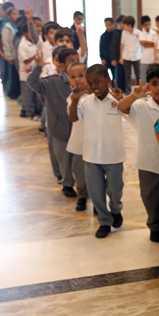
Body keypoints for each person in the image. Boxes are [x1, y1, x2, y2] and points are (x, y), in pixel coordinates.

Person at [68, 64, 126, 239]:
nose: (94, 86)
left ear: (108, 79)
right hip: (91, 156)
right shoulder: (85, 102)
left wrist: (122, 100)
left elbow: (129, 112)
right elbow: (73, 118)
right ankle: (104, 221)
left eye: (98, 81)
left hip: (113, 155)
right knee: (96, 193)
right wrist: (75, 100)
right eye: (90, 83)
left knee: (115, 189)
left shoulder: (117, 100)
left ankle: (115, 209)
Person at [28, 47, 87, 208]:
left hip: (81, 132)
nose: (75, 64)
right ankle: (67, 184)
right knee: (64, 161)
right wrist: (37, 67)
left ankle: (83, 192)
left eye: (77, 60)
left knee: (80, 165)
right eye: (71, 61)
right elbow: (33, 83)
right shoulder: (52, 82)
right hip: (60, 129)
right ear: (61, 65)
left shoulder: (86, 84)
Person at [117, 65, 159, 242]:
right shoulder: (141, 106)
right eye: (154, 83)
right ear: (148, 85)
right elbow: (121, 107)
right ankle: (154, 227)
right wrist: (134, 96)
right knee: (150, 199)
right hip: (148, 163)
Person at [65, 61, 89, 211]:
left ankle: (99, 199)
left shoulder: (96, 95)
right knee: (79, 173)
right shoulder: (72, 97)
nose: (77, 79)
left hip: (96, 143)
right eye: (73, 77)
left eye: (81, 75)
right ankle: (82, 196)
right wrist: (75, 99)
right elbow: (72, 114)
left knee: (98, 175)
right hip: (79, 143)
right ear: (69, 80)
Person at [17, 13, 42, 119]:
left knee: (36, 94)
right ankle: (29, 113)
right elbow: (25, 60)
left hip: (36, 73)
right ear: (24, 33)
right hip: (25, 74)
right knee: (27, 95)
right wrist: (35, 57)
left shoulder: (38, 41)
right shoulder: (22, 45)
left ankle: (37, 111)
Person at [119, 16, 141, 93]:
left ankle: (138, 90)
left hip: (136, 56)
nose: (123, 26)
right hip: (126, 56)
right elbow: (122, 45)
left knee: (138, 75)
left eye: (124, 24)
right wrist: (121, 57)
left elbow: (142, 44)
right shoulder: (124, 33)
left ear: (129, 25)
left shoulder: (138, 33)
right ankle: (128, 91)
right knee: (127, 76)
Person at [138, 15, 159, 84]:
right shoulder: (141, 33)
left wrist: (151, 43)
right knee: (144, 78)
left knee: (153, 78)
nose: (148, 26)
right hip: (144, 59)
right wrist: (152, 43)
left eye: (149, 24)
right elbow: (143, 43)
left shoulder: (154, 33)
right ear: (142, 25)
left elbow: (156, 44)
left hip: (152, 59)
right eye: (146, 25)